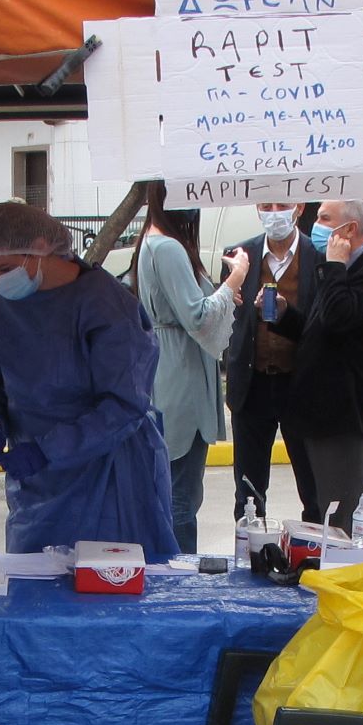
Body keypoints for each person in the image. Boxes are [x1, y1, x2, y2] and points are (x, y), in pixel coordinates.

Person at [0, 201, 176, 559]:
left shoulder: (107, 307)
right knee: (35, 580)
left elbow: (124, 405)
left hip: (112, 476)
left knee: (110, 579)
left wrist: (49, 449)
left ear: (41, 247)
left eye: (5, 268)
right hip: (37, 487)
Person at [269, 196, 363, 530]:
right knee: (314, 514)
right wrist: (285, 316)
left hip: (342, 418)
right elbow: (319, 331)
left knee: (337, 520)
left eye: (324, 219)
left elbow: (340, 319)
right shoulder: (337, 267)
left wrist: (334, 266)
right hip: (310, 414)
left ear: (349, 229)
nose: (315, 227)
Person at [134, 206, 245, 554]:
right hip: (181, 375)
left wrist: (221, 296)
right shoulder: (168, 247)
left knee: (176, 489)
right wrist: (236, 277)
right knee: (181, 495)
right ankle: (179, 573)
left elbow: (189, 306)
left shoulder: (154, 241)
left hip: (172, 369)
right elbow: (198, 317)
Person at [225, 203, 325, 522]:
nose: (274, 212)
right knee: (248, 493)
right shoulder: (239, 256)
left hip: (301, 386)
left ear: (299, 207)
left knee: (314, 489)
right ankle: (251, 547)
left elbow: (324, 325)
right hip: (252, 384)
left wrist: (286, 314)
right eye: (266, 205)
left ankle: (313, 547)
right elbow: (228, 319)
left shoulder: (319, 257)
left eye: (282, 205)